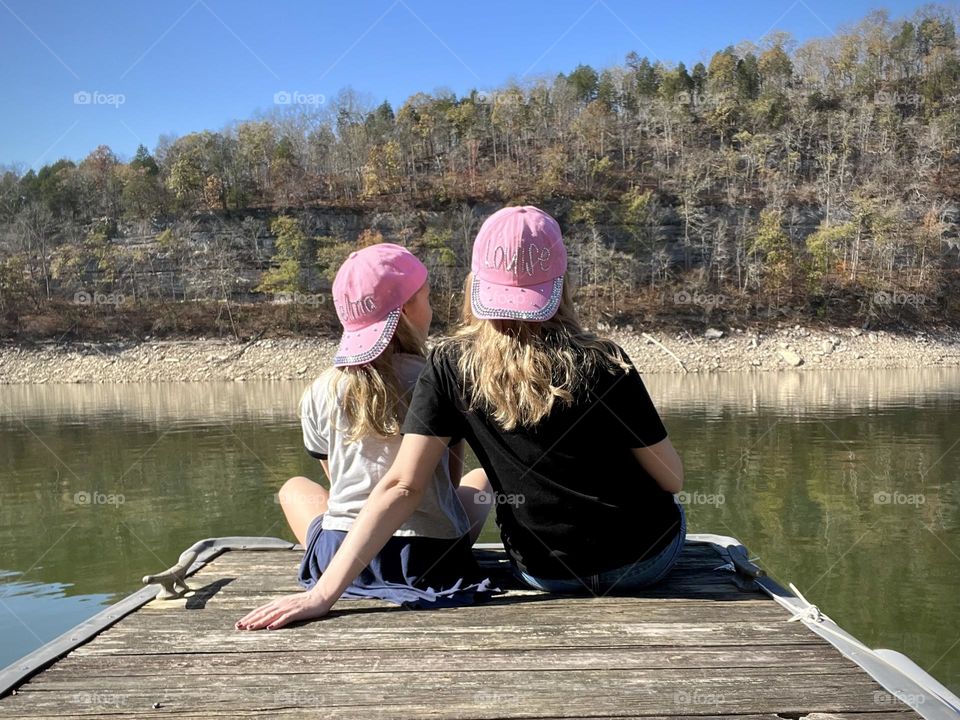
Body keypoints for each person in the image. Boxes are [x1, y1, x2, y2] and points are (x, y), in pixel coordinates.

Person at [237, 208, 684, 631]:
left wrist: (323, 595)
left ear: (476, 284)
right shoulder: (605, 360)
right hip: (643, 561)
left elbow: (402, 485)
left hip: (546, 573)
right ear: (561, 284)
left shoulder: (452, 364)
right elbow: (671, 480)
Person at [252, 243, 494, 617]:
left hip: (344, 557)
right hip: (429, 558)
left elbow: (336, 487)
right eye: (427, 299)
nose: (431, 309)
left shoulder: (321, 389)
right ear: (408, 311)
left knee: (294, 488)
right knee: (479, 482)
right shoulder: (438, 382)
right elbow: (449, 477)